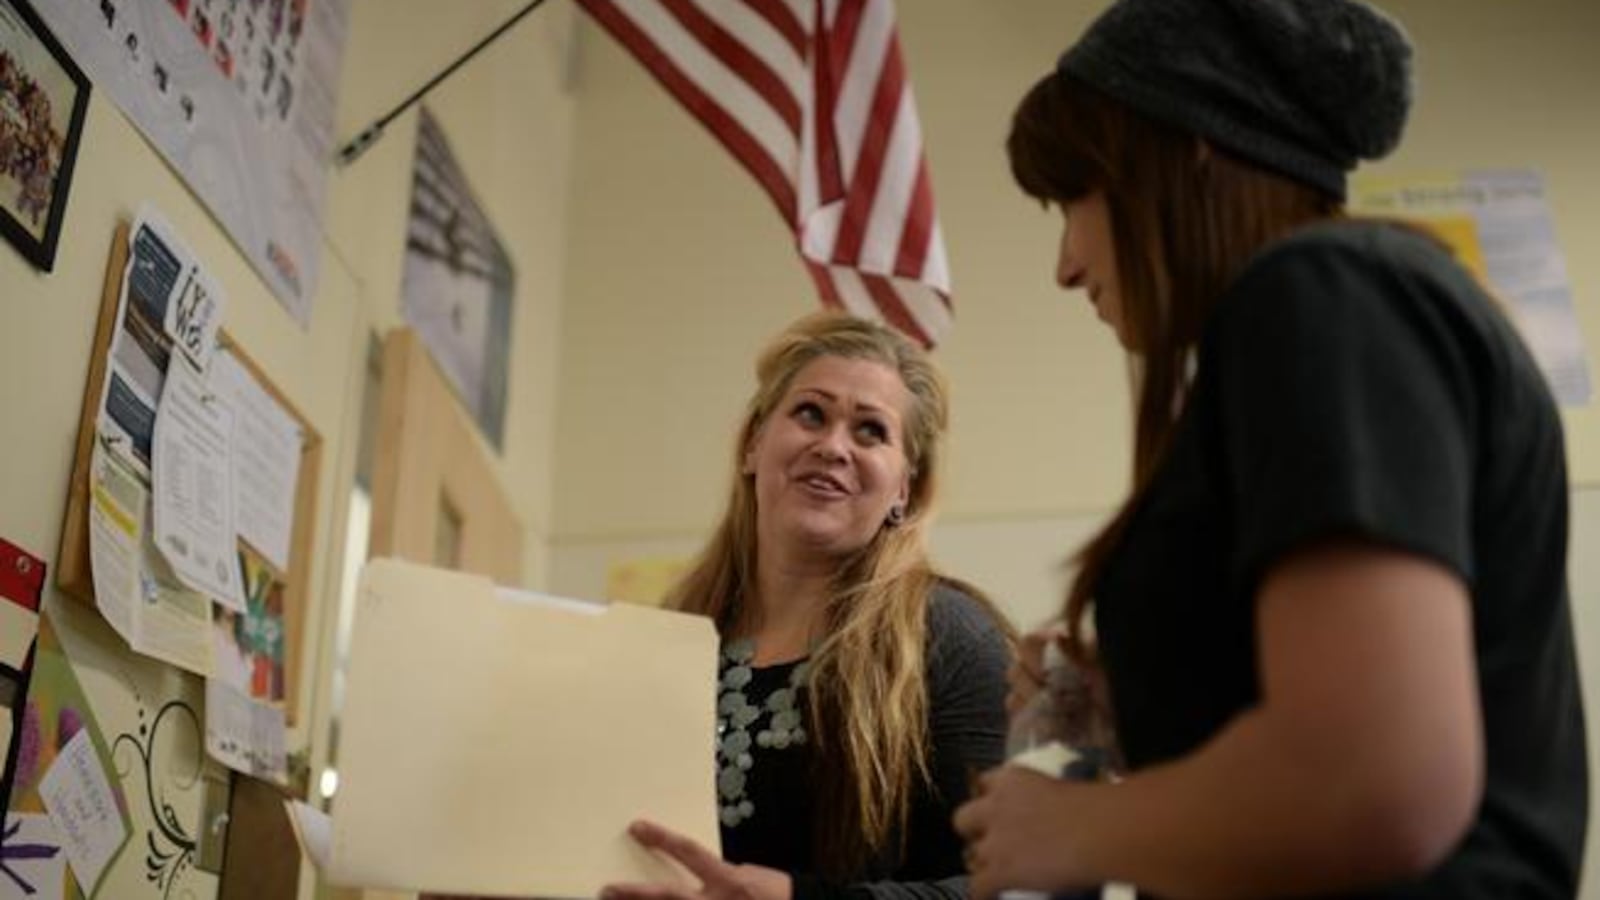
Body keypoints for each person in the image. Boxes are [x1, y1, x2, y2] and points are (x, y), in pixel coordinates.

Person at [953, 1, 1588, 898]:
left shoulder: (1321, 290)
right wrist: (1135, 704)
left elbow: (1376, 779)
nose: (1065, 263)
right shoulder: (1351, 305)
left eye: (1072, 200)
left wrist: (1071, 825)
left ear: (1192, 148)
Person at [602, 311, 1015, 900]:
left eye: (871, 431)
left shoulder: (953, 639)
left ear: (905, 488)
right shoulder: (671, 634)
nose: (833, 446)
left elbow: (1011, 888)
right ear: (753, 444)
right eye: (810, 414)